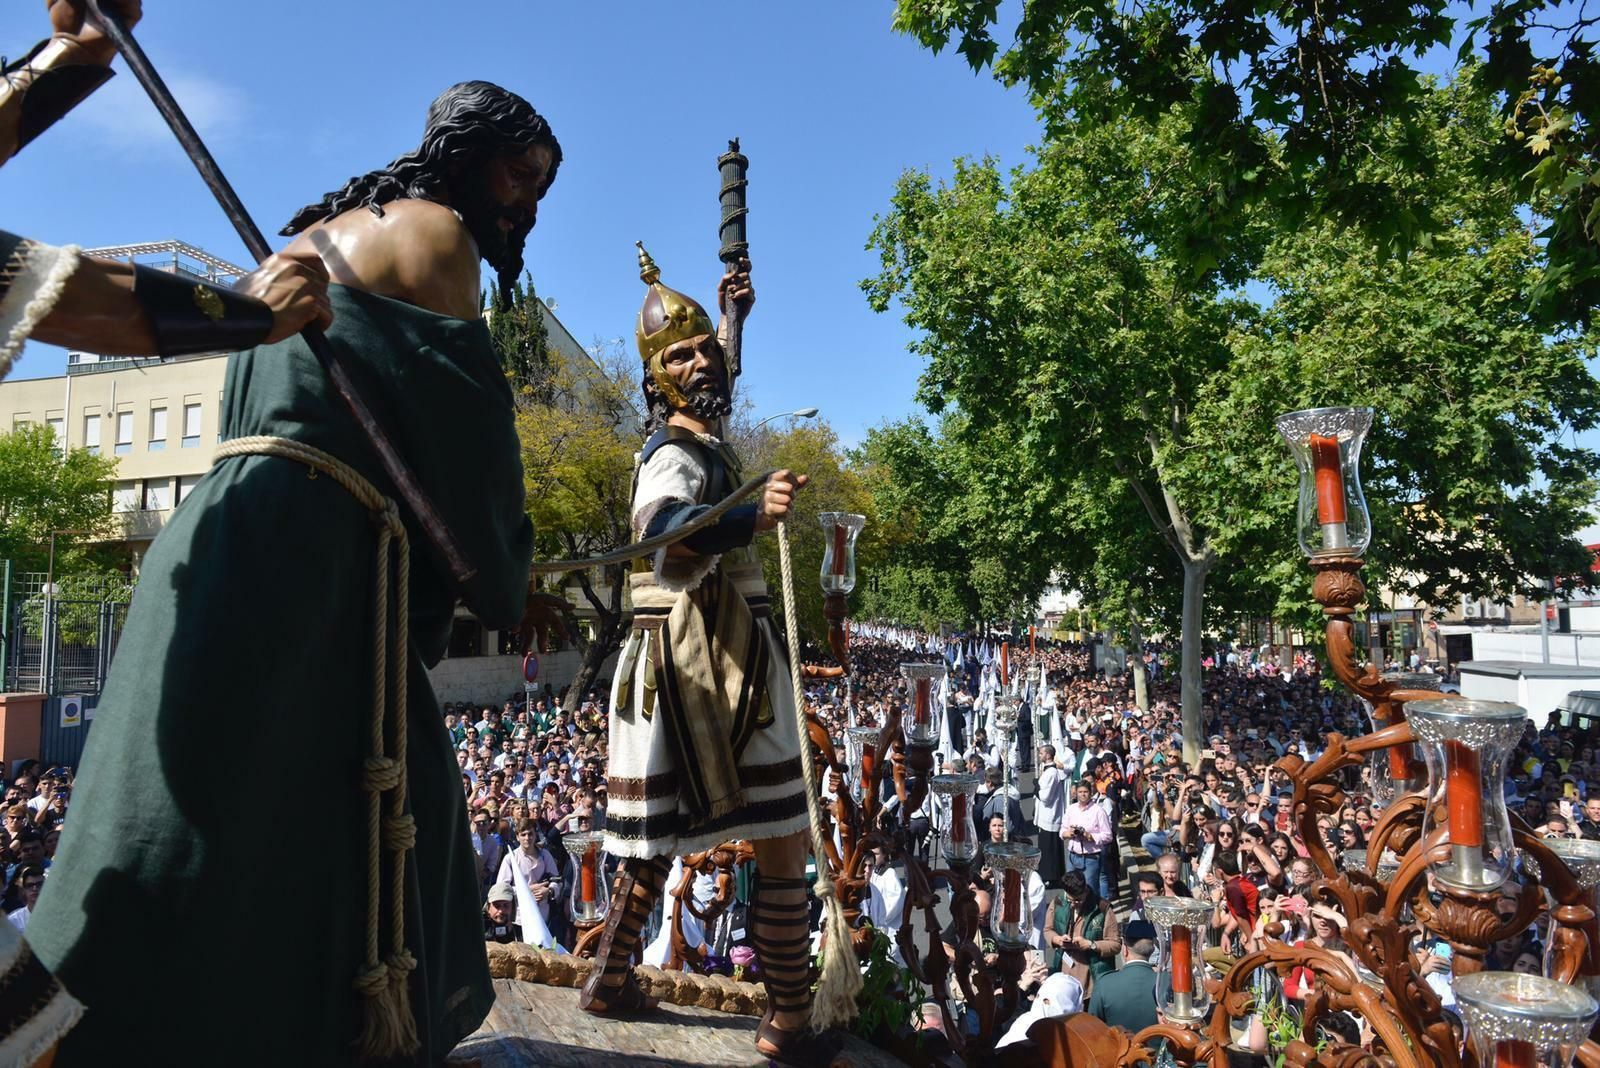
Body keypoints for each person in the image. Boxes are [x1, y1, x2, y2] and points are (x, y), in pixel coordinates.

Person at [29, 81, 559, 1065]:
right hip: (312, 564)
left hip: (218, 536)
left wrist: (70, 59)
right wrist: (504, 576)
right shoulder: (440, 237)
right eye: (522, 176)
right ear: (470, 157)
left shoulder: (300, 239)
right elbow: (474, 440)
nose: (528, 203)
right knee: (397, 815)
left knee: (188, 819)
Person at [582, 246, 835, 1066]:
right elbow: (664, 536)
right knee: (782, 835)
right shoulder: (670, 454)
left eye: (706, 351)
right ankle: (790, 1019)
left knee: (656, 836)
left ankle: (612, 979)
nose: (702, 364)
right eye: (680, 355)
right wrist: (746, 517)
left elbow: (712, 399)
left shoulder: (698, 434)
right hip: (704, 667)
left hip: (685, 660)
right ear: (656, 379)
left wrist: (734, 324)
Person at [1087, 919, 1159, 1032]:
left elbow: (1093, 1029)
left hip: (1117, 1049)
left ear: (1124, 950)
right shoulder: (1164, 982)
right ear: (1152, 950)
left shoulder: (1105, 983)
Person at [1060, 780, 1114, 901]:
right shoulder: (1071, 809)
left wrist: (1090, 837)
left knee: (1090, 890)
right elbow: (1062, 829)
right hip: (1072, 856)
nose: (1083, 794)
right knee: (1069, 889)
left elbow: (1108, 835)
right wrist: (1067, 834)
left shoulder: (1098, 811)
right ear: (1076, 793)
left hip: (1091, 857)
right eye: (1080, 792)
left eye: (1085, 792)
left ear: (1091, 793)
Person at [1034, 743, 1066, 888]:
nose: (1039, 755)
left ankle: (1051, 877)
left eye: (1041, 753)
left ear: (1048, 755)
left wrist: (1036, 788)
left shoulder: (1051, 773)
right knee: (1046, 847)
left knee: (1049, 848)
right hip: (1046, 815)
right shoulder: (1048, 771)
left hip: (1050, 816)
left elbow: (1046, 797)